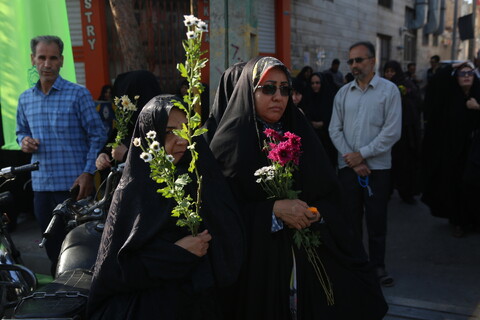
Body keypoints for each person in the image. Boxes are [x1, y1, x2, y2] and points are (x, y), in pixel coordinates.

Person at [208, 56, 387, 319]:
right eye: (268, 88)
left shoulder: (300, 132)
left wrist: (316, 212)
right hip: (257, 273)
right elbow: (220, 216)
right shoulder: (228, 145)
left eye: (284, 89)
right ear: (249, 91)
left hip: (308, 264)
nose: (278, 97)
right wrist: (272, 211)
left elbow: (329, 193)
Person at [87, 95, 244, 319]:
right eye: (169, 132)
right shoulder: (135, 190)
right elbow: (115, 272)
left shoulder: (204, 181)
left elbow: (230, 243)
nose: (181, 140)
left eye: (185, 131)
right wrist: (175, 254)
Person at [16, 35, 107, 271]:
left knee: (79, 250)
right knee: (52, 247)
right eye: (42, 57)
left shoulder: (78, 94)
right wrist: (23, 141)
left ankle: (81, 296)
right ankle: (58, 296)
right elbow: (20, 131)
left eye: (53, 58)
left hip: (74, 187)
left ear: (62, 60)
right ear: (33, 60)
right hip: (41, 186)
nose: (47, 64)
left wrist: (88, 172)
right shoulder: (25, 99)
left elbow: (97, 134)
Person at [329, 41, 402, 287]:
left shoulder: (389, 91)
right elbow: (334, 129)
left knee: (376, 219)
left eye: (359, 60)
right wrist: (352, 157)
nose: (354, 65)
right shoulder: (343, 93)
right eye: (351, 61)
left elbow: (392, 131)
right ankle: (355, 263)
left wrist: (363, 154)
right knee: (350, 219)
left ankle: (378, 266)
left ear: (372, 61)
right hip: (348, 168)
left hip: (378, 169)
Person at [421, 61, 480, 237]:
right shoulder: (450, 98)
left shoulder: (478, 94)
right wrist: (451, 67)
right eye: (462, 74)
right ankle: (459, 221)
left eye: (470, 73)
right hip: (453, 153)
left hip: (475, 154)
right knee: (456, 185)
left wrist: (477, 107)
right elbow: (435, 85)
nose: (467, 76)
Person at [95, 70, 161, 171]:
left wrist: (126, 155)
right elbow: (112, 145)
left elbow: (160, 165)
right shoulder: (126, 123)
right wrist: (103, 156)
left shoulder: (163, 126)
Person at [383, 60, 422, 204]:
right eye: (387, 72)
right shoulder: (382, 87)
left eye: (392, 71)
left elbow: (416, 105)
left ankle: (406, 193)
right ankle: (386, 191)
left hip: (405, 133)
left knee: (405, 164)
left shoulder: (407, 85)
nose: (389, 75)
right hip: (387, 132)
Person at [304, 72, 338, 167]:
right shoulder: (308, 98)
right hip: (312, 138)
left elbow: (334, 117)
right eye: (312, 83)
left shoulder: (329, 98)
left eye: (317, 83)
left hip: (327, 139)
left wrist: (323, 123)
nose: (315, 85)